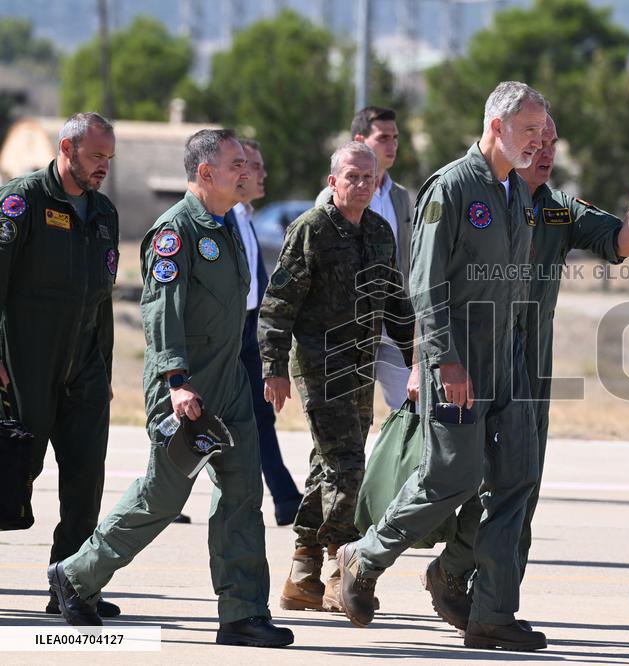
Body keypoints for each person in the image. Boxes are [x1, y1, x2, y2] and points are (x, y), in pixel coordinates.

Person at [423, 112, 629, 630]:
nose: (545, 150)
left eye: (552, 142)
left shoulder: (559, 210)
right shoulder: (478, 198)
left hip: (532, 363)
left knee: (522, 483)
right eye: (535, 139)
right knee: (469, 478)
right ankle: (449, 571)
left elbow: (623, 244)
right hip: (474, 355)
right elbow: (430, 283)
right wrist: (429, 358)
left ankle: (487, 600)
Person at [48, 129, 294, 648]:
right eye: (235, 165)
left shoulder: (229, 226)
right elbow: (160, 313)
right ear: (205, 174)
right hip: (185, 390)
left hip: (231, 385)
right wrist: (176, 382)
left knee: (242, 497)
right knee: (162, 497)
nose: (246, 172)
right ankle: (76, 576)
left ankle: (243, 612)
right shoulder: (175, 231)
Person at [335, 81, 548, 652]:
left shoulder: (518, 193)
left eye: (542, 131)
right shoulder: (452, 188)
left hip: (508, 361)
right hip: (458, 361)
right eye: (529, 130)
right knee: (450, 478)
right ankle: (363, 557)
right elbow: (425, 287)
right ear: (498, 127)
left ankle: (489, 613)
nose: (538, 141)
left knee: (517, 481)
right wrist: (445, 361)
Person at [259, 141, 413, 614]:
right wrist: (274, 366)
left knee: (327, 463)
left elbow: (395, 303)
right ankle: (339, 565)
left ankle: (301, 568)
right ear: (333, 181)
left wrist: (417, 359)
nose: (362, 185)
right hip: (318, 363)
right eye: (352, 176)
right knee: (348, 465)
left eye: (369, 178)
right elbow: (278, 304)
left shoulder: (380, 231)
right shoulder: (310, 229)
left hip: (360, 362)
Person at [0, 112, 120, 618]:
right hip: (25, 363)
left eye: (109, 160)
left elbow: (104, 300)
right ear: (66, 148)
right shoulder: (21, 200)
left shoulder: (104, 212)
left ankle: (71, 584)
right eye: (96, 157)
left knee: (86, 476)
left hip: (85, 367)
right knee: (10, 474)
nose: (103, 168)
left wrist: (106, 370)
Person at [316, 107, 413, 409]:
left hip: (392, 320)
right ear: (360, 139)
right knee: (348, 414)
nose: (392, 144)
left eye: (395, 137)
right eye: (383, 137)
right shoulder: (330, 199)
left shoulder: (400, 196)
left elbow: (406, 258)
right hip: (349, 326)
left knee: (411, 406)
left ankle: (402, 458)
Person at [233, 139, 302, 526]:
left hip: (249, 327)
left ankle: (285, 498)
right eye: (253, 166)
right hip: (227, 332)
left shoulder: (246, 217)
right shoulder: (225, 218)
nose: (261, 174)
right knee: (208, 420)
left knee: (259, 414)